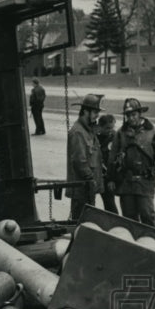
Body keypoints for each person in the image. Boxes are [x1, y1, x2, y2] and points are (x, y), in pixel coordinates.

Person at [110, 98, 155, 227]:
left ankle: (153, 244)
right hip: (126, 182)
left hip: (145, 181)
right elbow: (113, 156)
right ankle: (133, 245)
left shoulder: (153, 132)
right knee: (128, 218)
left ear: (140, 114)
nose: (131, 118)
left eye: (133, 115)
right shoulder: (121, 133)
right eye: (128, 115)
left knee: (147, 215)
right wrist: (111, 178)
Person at [65, 94, 104, 222]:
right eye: (95, 112)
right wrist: (91, 179)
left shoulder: (88, 130)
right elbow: (79, 161)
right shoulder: (78, 132)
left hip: (87, 188)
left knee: (88, 223)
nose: (97, 115)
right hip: (81, 188)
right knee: (81, 224)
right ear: (85, 111)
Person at [95, 113, 119, 214]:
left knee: (109, 202)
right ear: (100, 126)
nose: (110, 131)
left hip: (107, 176)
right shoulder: (93, 136)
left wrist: (112, 178)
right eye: (107, 128)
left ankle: (114, 224)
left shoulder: (114, 137)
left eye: (112, 127)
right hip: (94, 174)